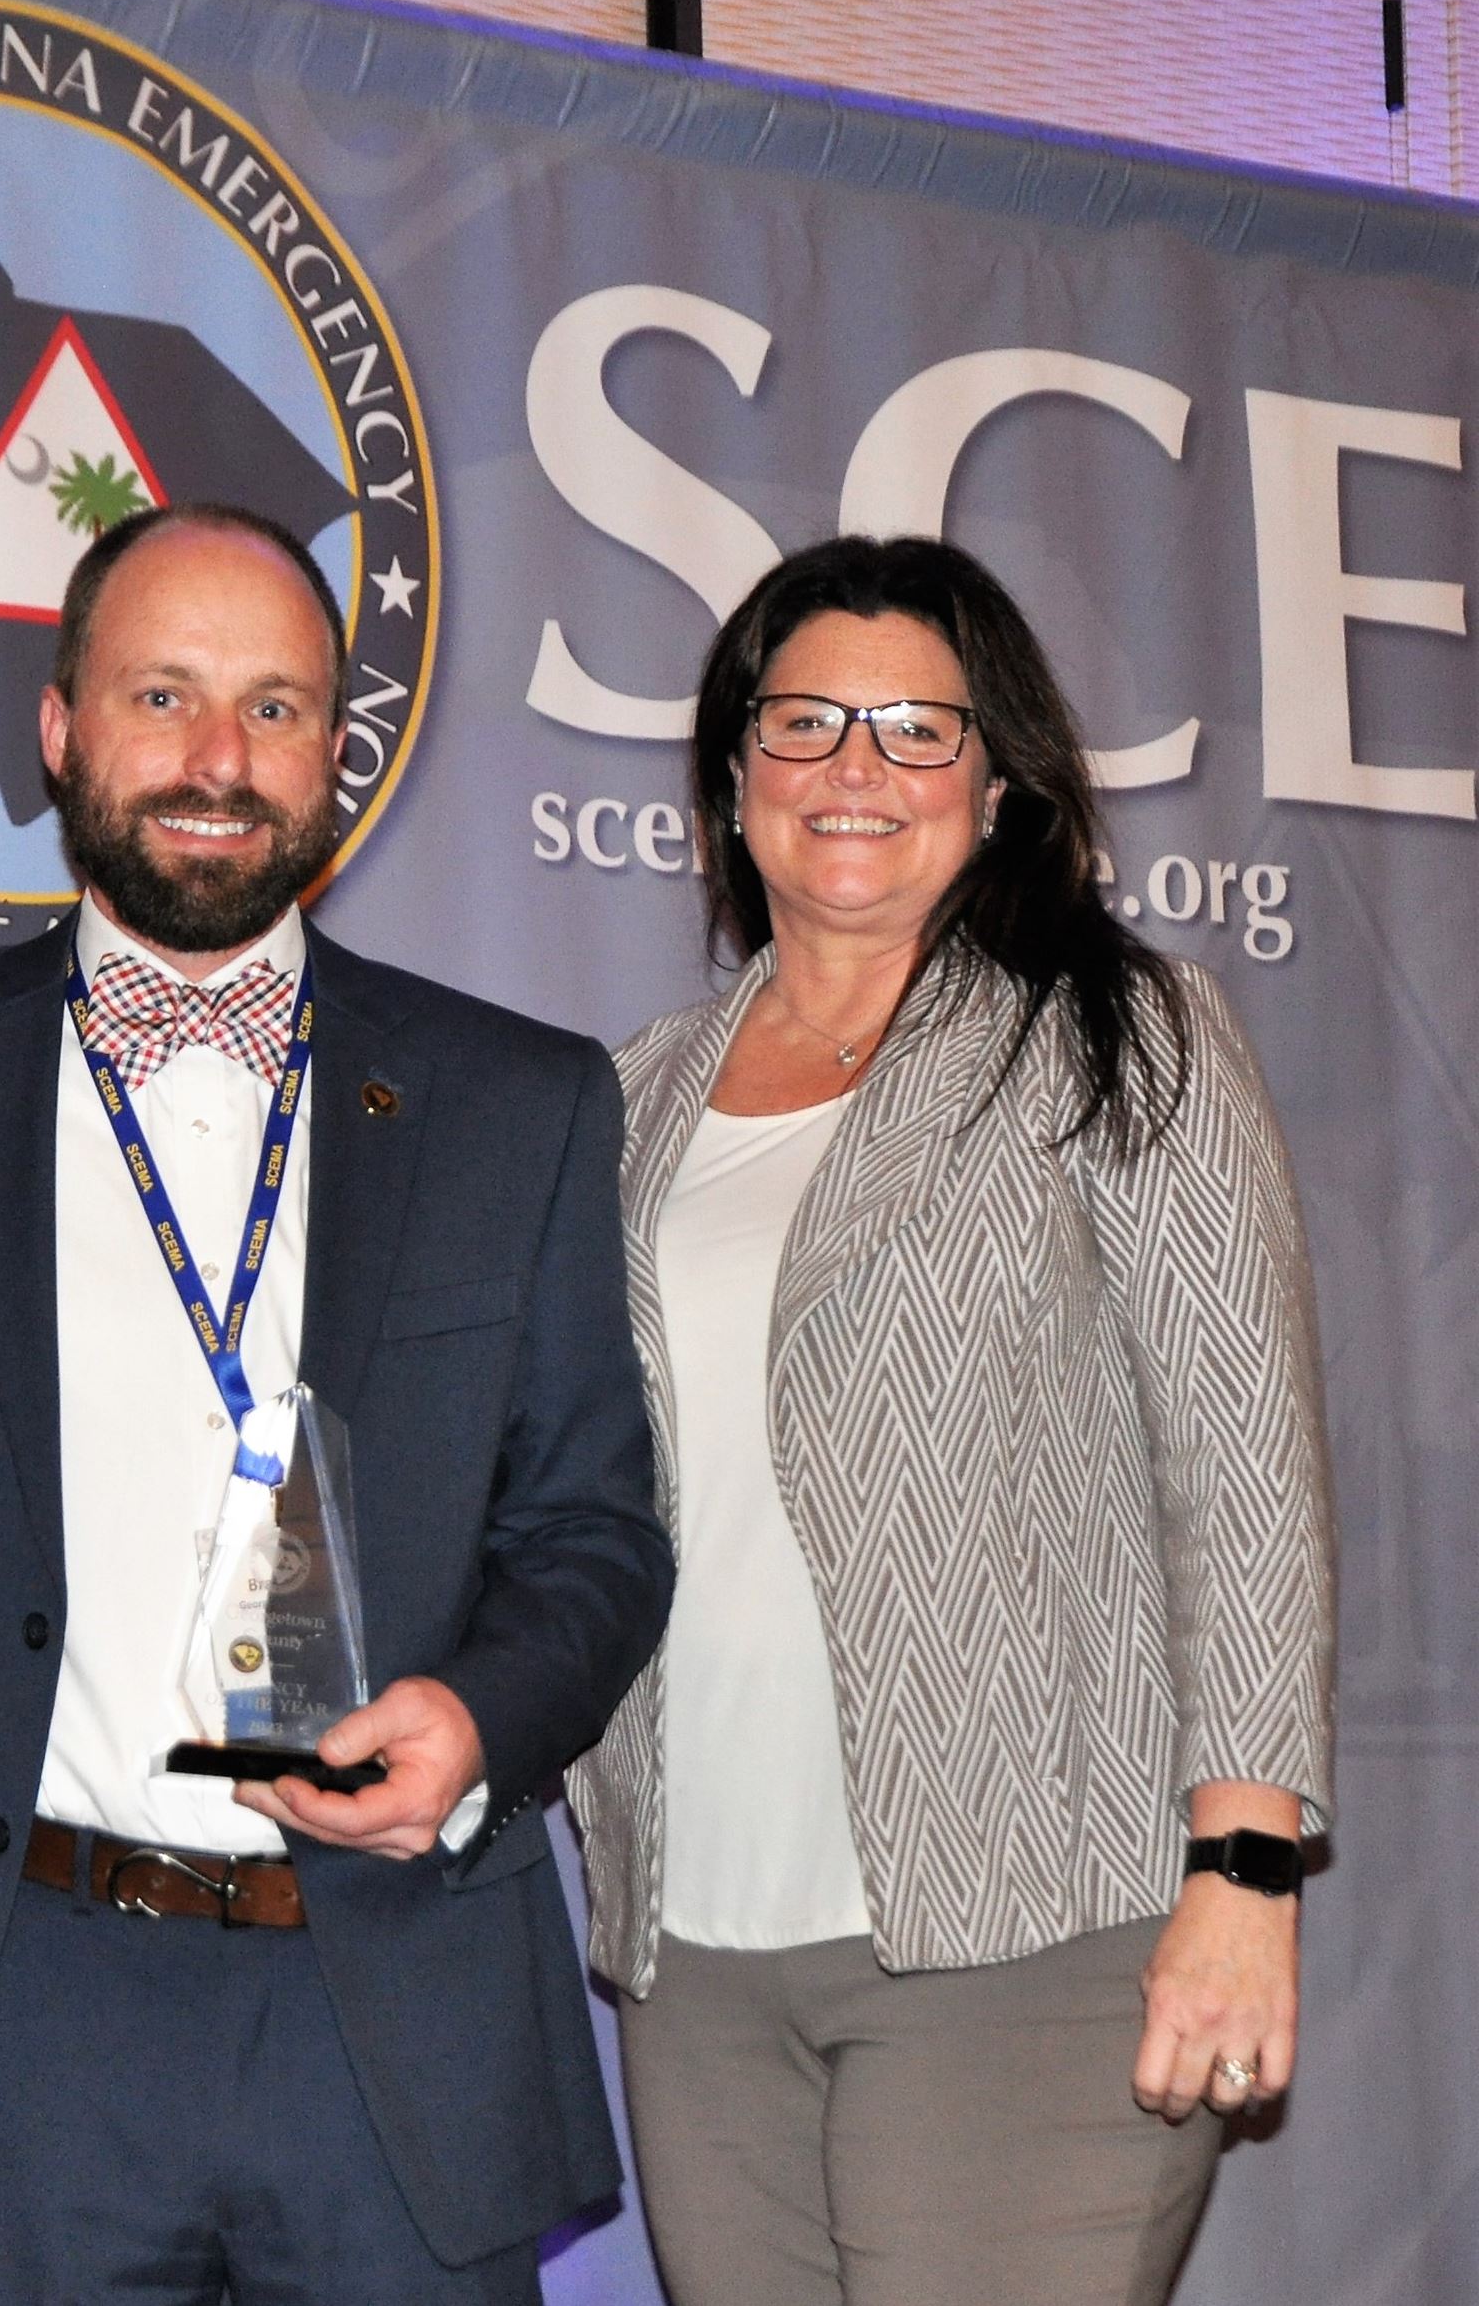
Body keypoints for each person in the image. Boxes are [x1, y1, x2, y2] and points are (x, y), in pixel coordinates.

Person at [0, 501, 671, 2305]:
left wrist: (478, 1727)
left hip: (391, 2016)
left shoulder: (520, 1102)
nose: (216, 760)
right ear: (57, 725)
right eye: (161, 694)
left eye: (274, 709)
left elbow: (594, 1531)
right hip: (1, 2028)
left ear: (338, 749)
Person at [566, 533, 1336, 2306]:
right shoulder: (625, 1097)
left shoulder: (1117, 1037)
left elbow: (1244, 1472)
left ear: (995, 789)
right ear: (731, 778)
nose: (856, 768)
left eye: (919, 729)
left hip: (1040, 1932)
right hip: (699, 1956)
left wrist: (1243, 1869)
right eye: (807, 720)